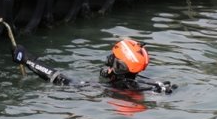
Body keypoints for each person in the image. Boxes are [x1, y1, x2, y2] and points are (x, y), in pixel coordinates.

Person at [12, 39, 176, 93]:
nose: (109, 58)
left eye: (113, 57)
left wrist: (26, 59)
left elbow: (60, 79)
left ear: (121, 66)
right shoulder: (144, 83)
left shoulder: (109, 89)